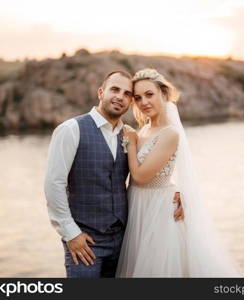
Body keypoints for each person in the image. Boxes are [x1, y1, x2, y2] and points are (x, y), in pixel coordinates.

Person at [44, 70, 184, 278]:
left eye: (128, 94)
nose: (120, 96)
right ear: (101, 92)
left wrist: (177, 193)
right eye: (115, 89)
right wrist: (71, 234)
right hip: (85, 242)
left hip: (124, 240)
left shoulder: (129, 135)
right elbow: (54, 185)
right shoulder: (71, 129)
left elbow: (157, 169)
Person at [116, 69, 244, 277]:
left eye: (149, 94)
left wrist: (130, 143)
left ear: (163, 95)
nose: (143, 102)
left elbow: (140, 176)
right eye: (138, 98)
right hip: (137, 205)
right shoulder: (143, 130)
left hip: (158, 210)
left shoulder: (169, 133)